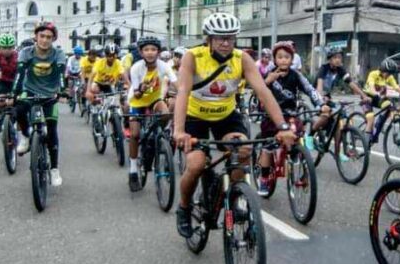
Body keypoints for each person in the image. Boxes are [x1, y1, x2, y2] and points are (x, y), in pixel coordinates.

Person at [172, 13, 296, 238]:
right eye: (219, 38)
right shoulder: (193, 56)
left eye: (230, 38)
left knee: (243, 150)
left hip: (226, 115)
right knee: (197, 163)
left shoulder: (241, 58)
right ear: (208, 38)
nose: (225, 42)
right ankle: (184, 207)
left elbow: (263, 91)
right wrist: (179, 131)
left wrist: (283, 127)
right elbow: (182, 92)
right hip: (195, 116)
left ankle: (235, 196)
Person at [255, 41, 324, 195]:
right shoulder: (269, 73)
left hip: (291, 115)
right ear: (274, 59)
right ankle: (264, 179)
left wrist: (320, 104)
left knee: (296, 134)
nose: (283, 60)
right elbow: (258, 90)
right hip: (270, 116)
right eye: (280, 57)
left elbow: (310, 89)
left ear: (292, 59)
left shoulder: (296, 75)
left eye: (287, 57)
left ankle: (295, 154)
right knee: (267, 147)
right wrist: (268, 80)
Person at [13, 22, 67, 185]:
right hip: (30, 91)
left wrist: (62, 91)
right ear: (36, 37)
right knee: (19, 109)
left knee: (51, 130)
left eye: (49, 37)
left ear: (53, 39)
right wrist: (14, 94)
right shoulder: (26, 52)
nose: (45, 40)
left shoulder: (58, 54)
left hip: (50, 94)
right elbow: (20, 74)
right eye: (42, 36)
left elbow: (61, 75)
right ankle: (25, 136)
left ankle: (54, 169)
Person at [126, 36, 170, 191]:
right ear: (141, 52)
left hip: (154, 99)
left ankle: (153, 137)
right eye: (146, 50)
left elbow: (177, 83)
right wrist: (142, 89)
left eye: (153, 49)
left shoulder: (163, 66)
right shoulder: (136, 68)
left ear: (158, 52)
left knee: (166, 113)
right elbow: (137, 94)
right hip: (137, 101)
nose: (150, 53)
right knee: (135, 134)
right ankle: (132, 171)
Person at [311, 47, 366, 134]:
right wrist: (321, 98)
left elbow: (351, 83)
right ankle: (311, 134)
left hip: (327, 96)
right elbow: (319, 85)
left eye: (339, 57)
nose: (338, 60)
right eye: (335, 57)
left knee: (340, 116)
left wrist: (364, 96)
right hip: (316, 95)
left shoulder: (340, 70)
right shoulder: (324, 68)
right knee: (326, 115)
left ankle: (337, 146)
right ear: (330, 59)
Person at [363, 59, 400, 138]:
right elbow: (371, 85)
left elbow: (396, 87)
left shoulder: (389, 77)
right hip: (367, 96)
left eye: (391, 73)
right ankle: (366, 140)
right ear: (382, 70)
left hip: (377, 97)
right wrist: (375, 92)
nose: (389, 75)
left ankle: (378, 126)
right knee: (370, 117)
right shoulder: (373, 74)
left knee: (389, 105)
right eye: (388, 73)